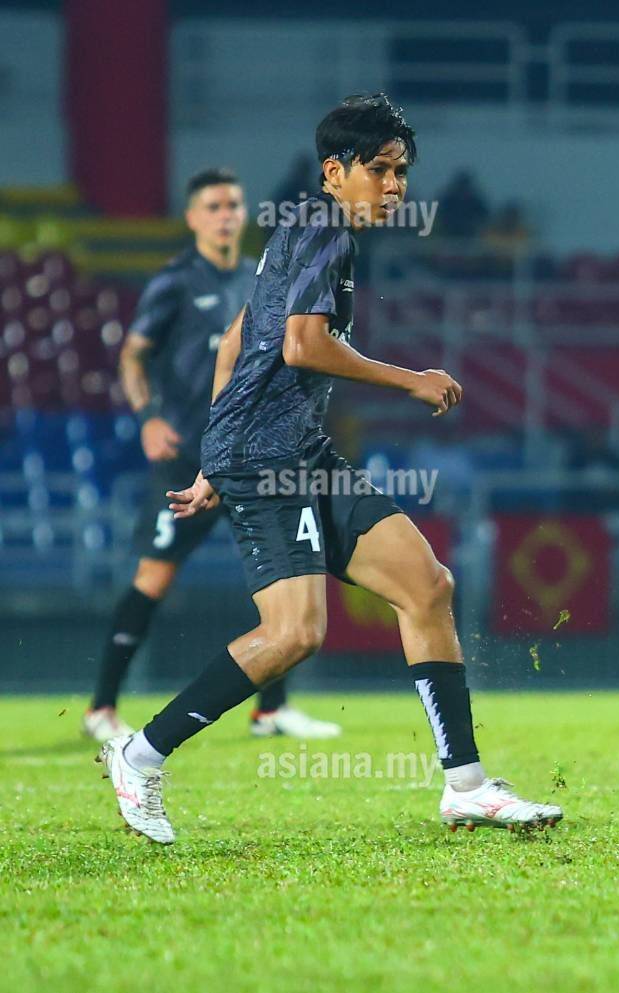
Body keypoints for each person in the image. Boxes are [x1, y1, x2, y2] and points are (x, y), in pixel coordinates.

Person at [97, 93, 561, 844]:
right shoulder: (323, 230)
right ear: (335, 171)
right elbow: (302, 346)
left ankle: (467, 786)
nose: (395, 186)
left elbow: (236, 342)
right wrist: (410, 379)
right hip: (266, 458)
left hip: (296, 452)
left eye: (402, 172)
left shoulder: (302, 230)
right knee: (294, 633)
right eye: (380, 170)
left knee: (427, 585)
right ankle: (139, 753)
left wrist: (213, 452)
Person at [83, 167, 341, 744]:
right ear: (192, 217)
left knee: (285, 571)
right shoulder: (174, 281)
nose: (226, 215)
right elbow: (133, 356)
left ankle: (271, 710)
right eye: (214, 206)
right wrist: (149, 417)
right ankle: (102, 707)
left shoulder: (257, 278)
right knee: (154, 576)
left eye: (233, 204)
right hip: (187, 454)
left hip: (249, 453)